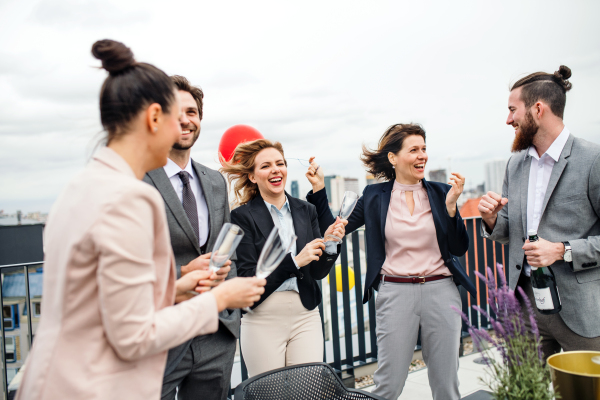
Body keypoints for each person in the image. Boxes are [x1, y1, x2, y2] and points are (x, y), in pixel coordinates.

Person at [15, 40, 266, 400]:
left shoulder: (83, 185)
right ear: (153, 118)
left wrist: (179, 285)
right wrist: (220, 298)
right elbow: (134, 335)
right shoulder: (130, 198)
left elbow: (103, 300)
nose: (181, 127)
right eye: (172, 118)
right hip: (96, 386)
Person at [305, 124, 476, 400]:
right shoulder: (374, 196)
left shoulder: (442, 192)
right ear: (394, 158)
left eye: (424, 149)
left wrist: (453, 208)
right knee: (387, 386)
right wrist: (319, 189)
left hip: (442, 291)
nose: (422, 156)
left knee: (447, 385)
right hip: (395, 293)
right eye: (414, 150)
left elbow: (459, 247)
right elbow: (334, 229)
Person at [478, 65, 600, 359]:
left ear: (538, 108)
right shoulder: (515, 165)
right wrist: (492, 218)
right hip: (524, 307)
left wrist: (561, 250)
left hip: (581, 310)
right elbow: (508, 232)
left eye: (512, 110)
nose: (508, 120)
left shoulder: (593, 159)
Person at [143, 75, 240, 400]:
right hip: (162, 329)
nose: (186, 120)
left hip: (216, 330)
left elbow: (228, 246)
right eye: (176, 111)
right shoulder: (137, 179)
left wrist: (230, 314)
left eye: (193, 112)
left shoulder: (215, 181)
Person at [220, 139, 346, 377]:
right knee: (270, 393)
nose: (275, 169)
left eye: (280, 163)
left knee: (307, 390)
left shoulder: (306, 210)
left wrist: (330, 244)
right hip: (262, 319)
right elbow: (247, 277)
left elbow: (318, 272)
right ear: (253, 177)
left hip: (306, 315)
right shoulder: (241, 217)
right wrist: (296, 261)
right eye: (265, 166)